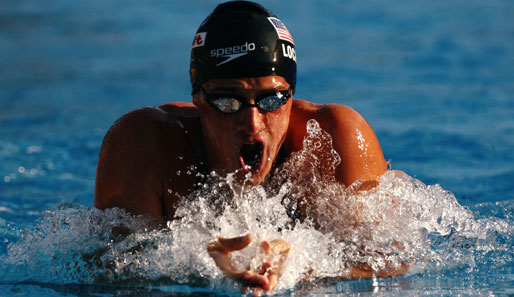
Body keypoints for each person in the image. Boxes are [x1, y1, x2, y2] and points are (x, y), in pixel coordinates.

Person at [94, 1, 406, 295]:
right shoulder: (143, 146)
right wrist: (201, 267)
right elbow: (110, 273)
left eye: (271, 99)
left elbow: (391, 262)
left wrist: (299, 268)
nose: (253, 124)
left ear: (291, 94)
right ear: (198, 97)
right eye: (228, 101)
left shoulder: (333, 141)